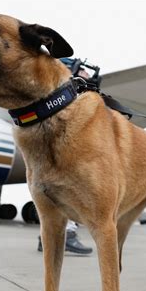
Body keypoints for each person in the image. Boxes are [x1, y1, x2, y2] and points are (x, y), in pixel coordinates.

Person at [36, 57, 95, 255]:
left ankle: (47, 238)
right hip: (65, 155)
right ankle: (66, 235)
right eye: (82, 72)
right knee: (69, 193)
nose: (87, 76)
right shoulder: (60, 98)